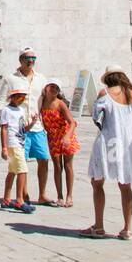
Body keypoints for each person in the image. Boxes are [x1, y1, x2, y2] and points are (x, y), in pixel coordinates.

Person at [81, 68, 132, 240]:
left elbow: (96, 117)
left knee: (97, 182)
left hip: (108, 143)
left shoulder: (105, 93)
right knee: (125, 185)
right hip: (129, 145)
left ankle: (99, 227)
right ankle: (127, 229)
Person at [0, 48, 50, 203]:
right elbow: (1, 99)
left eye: (33, 58)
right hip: (18, 128)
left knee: (44, 159)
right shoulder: (10, 79)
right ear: (20, 60)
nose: (31, 61)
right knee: (21, 162)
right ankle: (23, 195)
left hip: (37, 125)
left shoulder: (41, 78)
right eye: (27, 58)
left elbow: (47, 99)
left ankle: (42, 194)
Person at [40, 78, 79, 207]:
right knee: (57, 166)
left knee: (68, 165)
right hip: (53, 137)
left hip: (65, 135)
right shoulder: (41, 102)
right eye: (52, 87)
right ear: (46, 88)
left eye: (57, 88)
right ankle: (60, 196)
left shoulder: (60, 103)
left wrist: (67, 137)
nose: (54, 90)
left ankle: (70, 196)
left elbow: (72, 122)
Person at [0, 87, 36, 213]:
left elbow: (23, 128)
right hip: (13, 143)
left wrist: (33, 122)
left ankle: (6, 199)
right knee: (22, 170)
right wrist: (4, 147)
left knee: (12, 171)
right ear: (13, 97)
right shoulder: (6, 110)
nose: (22, 100)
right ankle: (20, 200)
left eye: (23, 97)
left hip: (20, 143)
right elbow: (4, 129)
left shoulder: (21, 110)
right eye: (20, 97)